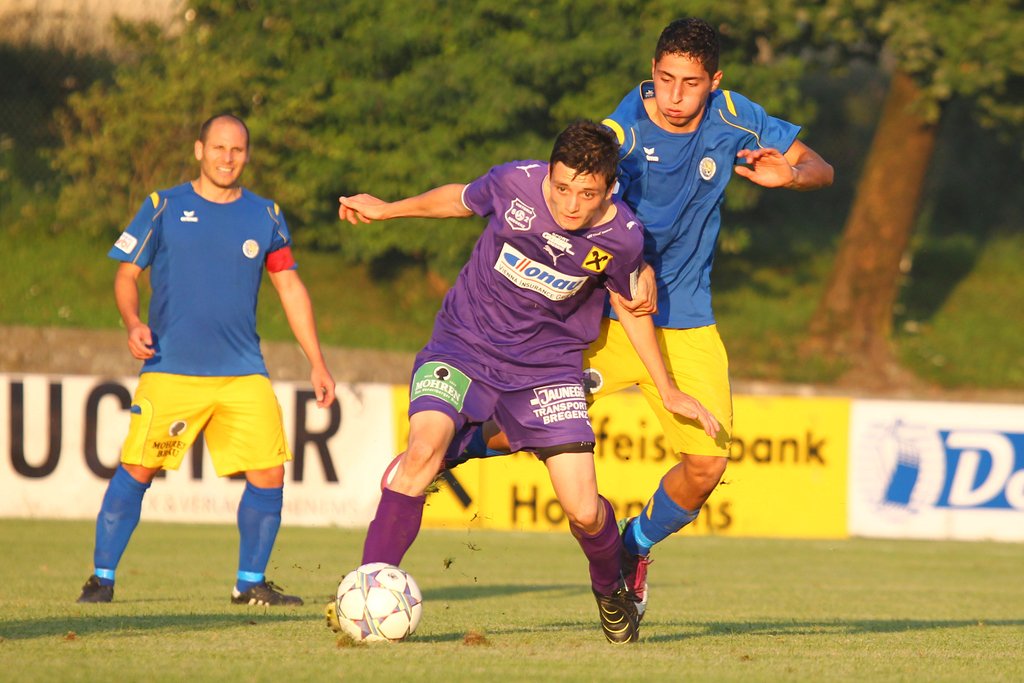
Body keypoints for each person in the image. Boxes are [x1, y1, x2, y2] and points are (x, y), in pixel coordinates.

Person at [448, 18, 834, 619]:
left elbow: (821, 168)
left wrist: (793, 174)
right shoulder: (620, 133)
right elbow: (586, 208)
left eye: (690, 83)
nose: (675, 96)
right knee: (524, 424)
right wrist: (633, 262)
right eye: (665, 79)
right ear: (652, 72)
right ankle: (457, 447)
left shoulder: (737, 117)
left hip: (687, 320)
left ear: (714, 81)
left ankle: (633, 545)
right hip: (606, 317)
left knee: (707, 465)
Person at [336, 120, 718, 644]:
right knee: (421, 453)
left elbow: (632, 308)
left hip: (547, 367)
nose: (570, 204)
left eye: (587, 194)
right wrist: (388, 209)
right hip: (463, 345)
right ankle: (368, 592)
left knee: (584, 510)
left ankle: (610, 589)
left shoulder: (623, 238)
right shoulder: (514, 182)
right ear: (549, 173)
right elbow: (458, 200)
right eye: (561, 187)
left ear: (610, 189)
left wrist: (667, 389)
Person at [76, 114, 336, 606]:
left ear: (247, 155)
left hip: (243, 372)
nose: (227, 158)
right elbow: (127, 274)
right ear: (199, 150)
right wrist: (132, 322)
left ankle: (249, 583)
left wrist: (317, 362)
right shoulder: (163, 206)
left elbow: (289, 287)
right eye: (218, 147)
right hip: (170, 368)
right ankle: (101, 579)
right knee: (138, 468)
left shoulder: (266, 215)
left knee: (270, 473)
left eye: (237, 149)